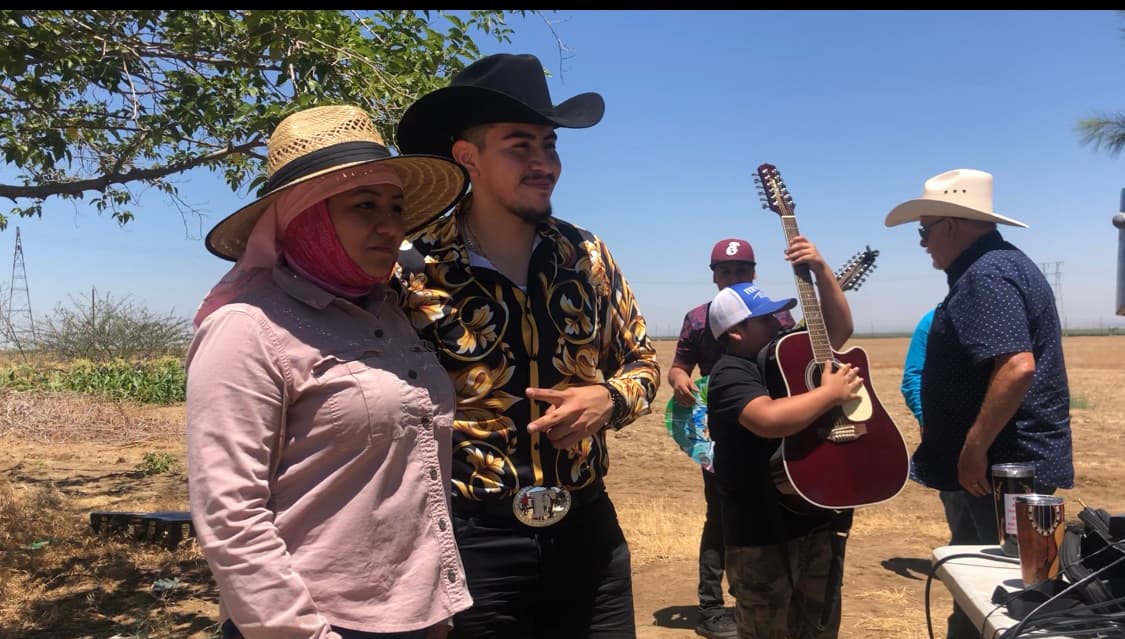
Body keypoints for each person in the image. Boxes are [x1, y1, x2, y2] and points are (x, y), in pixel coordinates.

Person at [395, 53, 661, 638]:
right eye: (520, 145)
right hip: (469, 540)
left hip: (588, 531)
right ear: (468, 157)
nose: (545, 163)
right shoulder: (412, 270)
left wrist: (609, 401)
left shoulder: (585, 255)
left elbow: (642, 360)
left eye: (551, 144)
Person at [186, 104, 474, 639]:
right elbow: (231, 516)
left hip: (416, 616)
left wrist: (438, 609)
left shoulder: (387, 316)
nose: (390, 225)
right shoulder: (247, 330)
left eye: (395, 205)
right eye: (364, 205)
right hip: (317, 623)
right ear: (305, 219)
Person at [884, 168, 1074, 639]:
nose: (923, 243)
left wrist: (974, 446)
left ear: (952, 224)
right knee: (984, 595)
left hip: (999, 473)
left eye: (925, 231)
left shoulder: (986, 274)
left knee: (991, 600)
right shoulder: (996, 267)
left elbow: (1017, 366)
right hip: (1000, 470)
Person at [706, 236, 859, 639]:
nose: (777, 323)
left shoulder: (781, 358)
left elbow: (839, 329)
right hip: (760, 537)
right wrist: (829, 394)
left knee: (818, 629)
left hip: (812, 519)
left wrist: (822, 269)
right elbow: (767, 419)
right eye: (765, 319)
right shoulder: (730, 373)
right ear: (735, 333)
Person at [666, 237, 796, 639]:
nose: (734, 277)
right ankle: (711, 607)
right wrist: (681, 381)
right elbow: (678, 366)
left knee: (771, 513)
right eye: (725, 271)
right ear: (714, 275)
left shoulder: (776, 317)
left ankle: (754, 597)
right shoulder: (697, 319)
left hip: (769, 433)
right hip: (720, 434)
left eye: (741, 270)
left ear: (753, 272)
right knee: (720, 517)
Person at [900, 306, 936, 427]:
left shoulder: (994, 319)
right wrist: (925, 420)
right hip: (942, 427)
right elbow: (914, 376)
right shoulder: (932, 320)